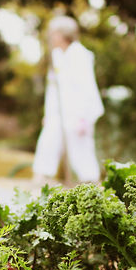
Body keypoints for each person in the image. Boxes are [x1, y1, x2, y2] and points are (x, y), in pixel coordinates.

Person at [32, 16, 104, 184]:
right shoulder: (57, 56)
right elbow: (52, 89)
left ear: (62, 35)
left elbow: (87, 87)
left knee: (81, 149)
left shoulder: (79, 55)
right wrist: (48, 114)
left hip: (78, 112)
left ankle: (91, 183)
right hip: (58, 111)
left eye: (53, 33)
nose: (50, 37)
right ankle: (41, 179)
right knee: (48, 141)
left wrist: (84, 117)